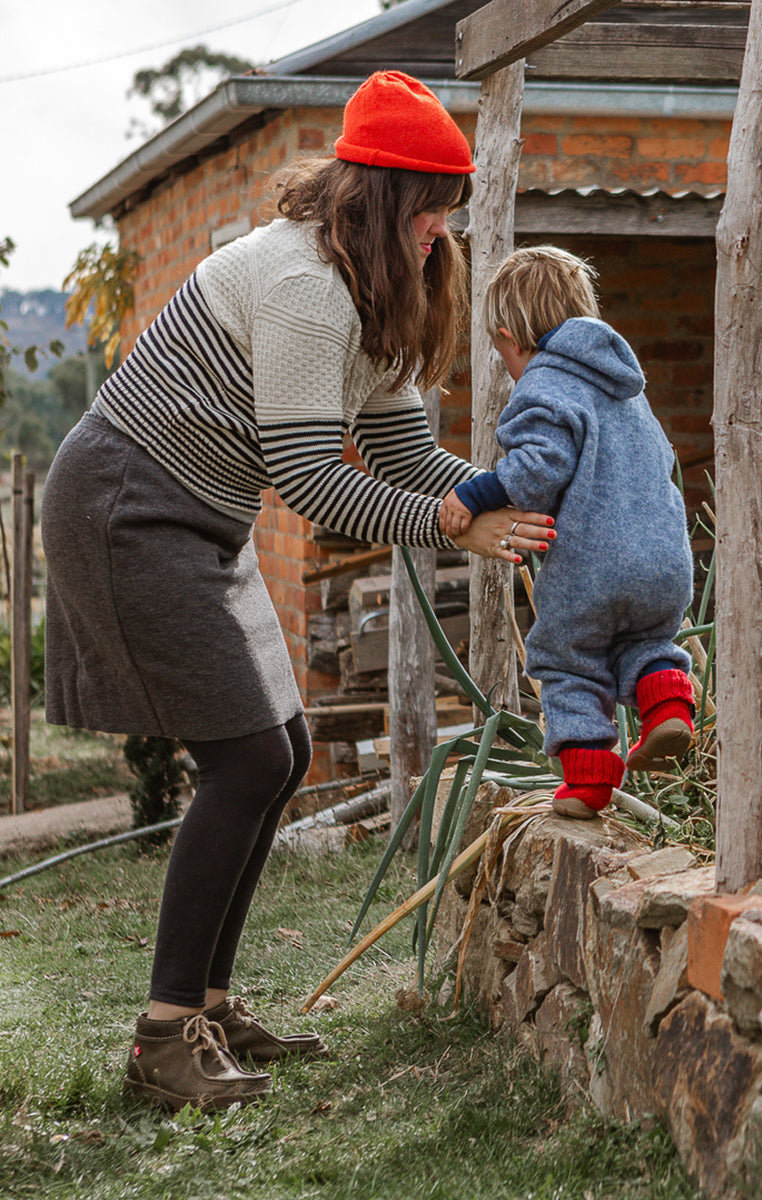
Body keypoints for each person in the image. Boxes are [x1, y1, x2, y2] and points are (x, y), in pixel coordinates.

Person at [39, 71, 554, 1113]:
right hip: (127, 507)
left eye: (452, 205)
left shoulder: (376, 286)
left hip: (197, 512)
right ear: (377, 195)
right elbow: (317, 480)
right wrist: (460, 524)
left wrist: (511, 495)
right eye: (430, 205)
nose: (441, 228)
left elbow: (407, 450)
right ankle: (160, 1042)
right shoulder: (305, 288)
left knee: (281, 753)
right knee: (240, 759)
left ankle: (212, 1009)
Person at [440, 246, 695, 819]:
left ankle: (587, 782)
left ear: (510, 337)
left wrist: (473, 494)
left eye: (499, 350)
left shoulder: (543, 382)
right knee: (646, 643)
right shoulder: (627, 387)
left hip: (591, 568)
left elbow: (536, 470)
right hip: (665, 561)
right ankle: (668, 709)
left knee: (564, 660)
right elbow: (663, 458)